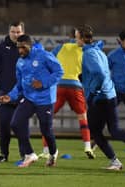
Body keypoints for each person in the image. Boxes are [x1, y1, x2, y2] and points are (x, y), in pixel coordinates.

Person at [76, 25, 125, 171]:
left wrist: (93, 92)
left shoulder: (89, 54)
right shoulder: (98, 50)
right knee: (114, 130)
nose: (75, 40)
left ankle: (115, 161)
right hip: (110, 95)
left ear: (81, 38)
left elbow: (100, 74)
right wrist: (85, 77)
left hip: (100, 98)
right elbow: (102, 72)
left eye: (76, 37)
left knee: (96, 131)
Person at [0, 34, 63, 167]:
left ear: (30, 46)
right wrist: (10, 96)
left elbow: (59, 72)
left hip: (45, 100)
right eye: (18, 48)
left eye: (23, 47)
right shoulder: (20, 62)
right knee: (15, 123)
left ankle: (53, 152)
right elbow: (20, 84)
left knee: (46, 131)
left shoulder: (44, 55)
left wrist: (43, 83)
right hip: (29, 98)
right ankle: (29, 153)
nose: (20, 51)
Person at [39, 27, 95, 159]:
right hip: (75, 85)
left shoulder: (61, 47)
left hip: (59, 85)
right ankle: (88, 147)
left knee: (48, 116)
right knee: (82, 117)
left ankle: (46, 151)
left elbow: (48, 61)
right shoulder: (86, 50)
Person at [0, 21, 26, 162]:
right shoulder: (2, 47)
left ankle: (24, 155)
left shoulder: (29, 47)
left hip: (23, 93)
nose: (16, 34)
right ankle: (4, 154)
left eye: (18, 32)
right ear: (9, 32)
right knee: (4, 125)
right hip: (5, 92)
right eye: (13, 32)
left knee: (21, 125)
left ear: (23, 32)